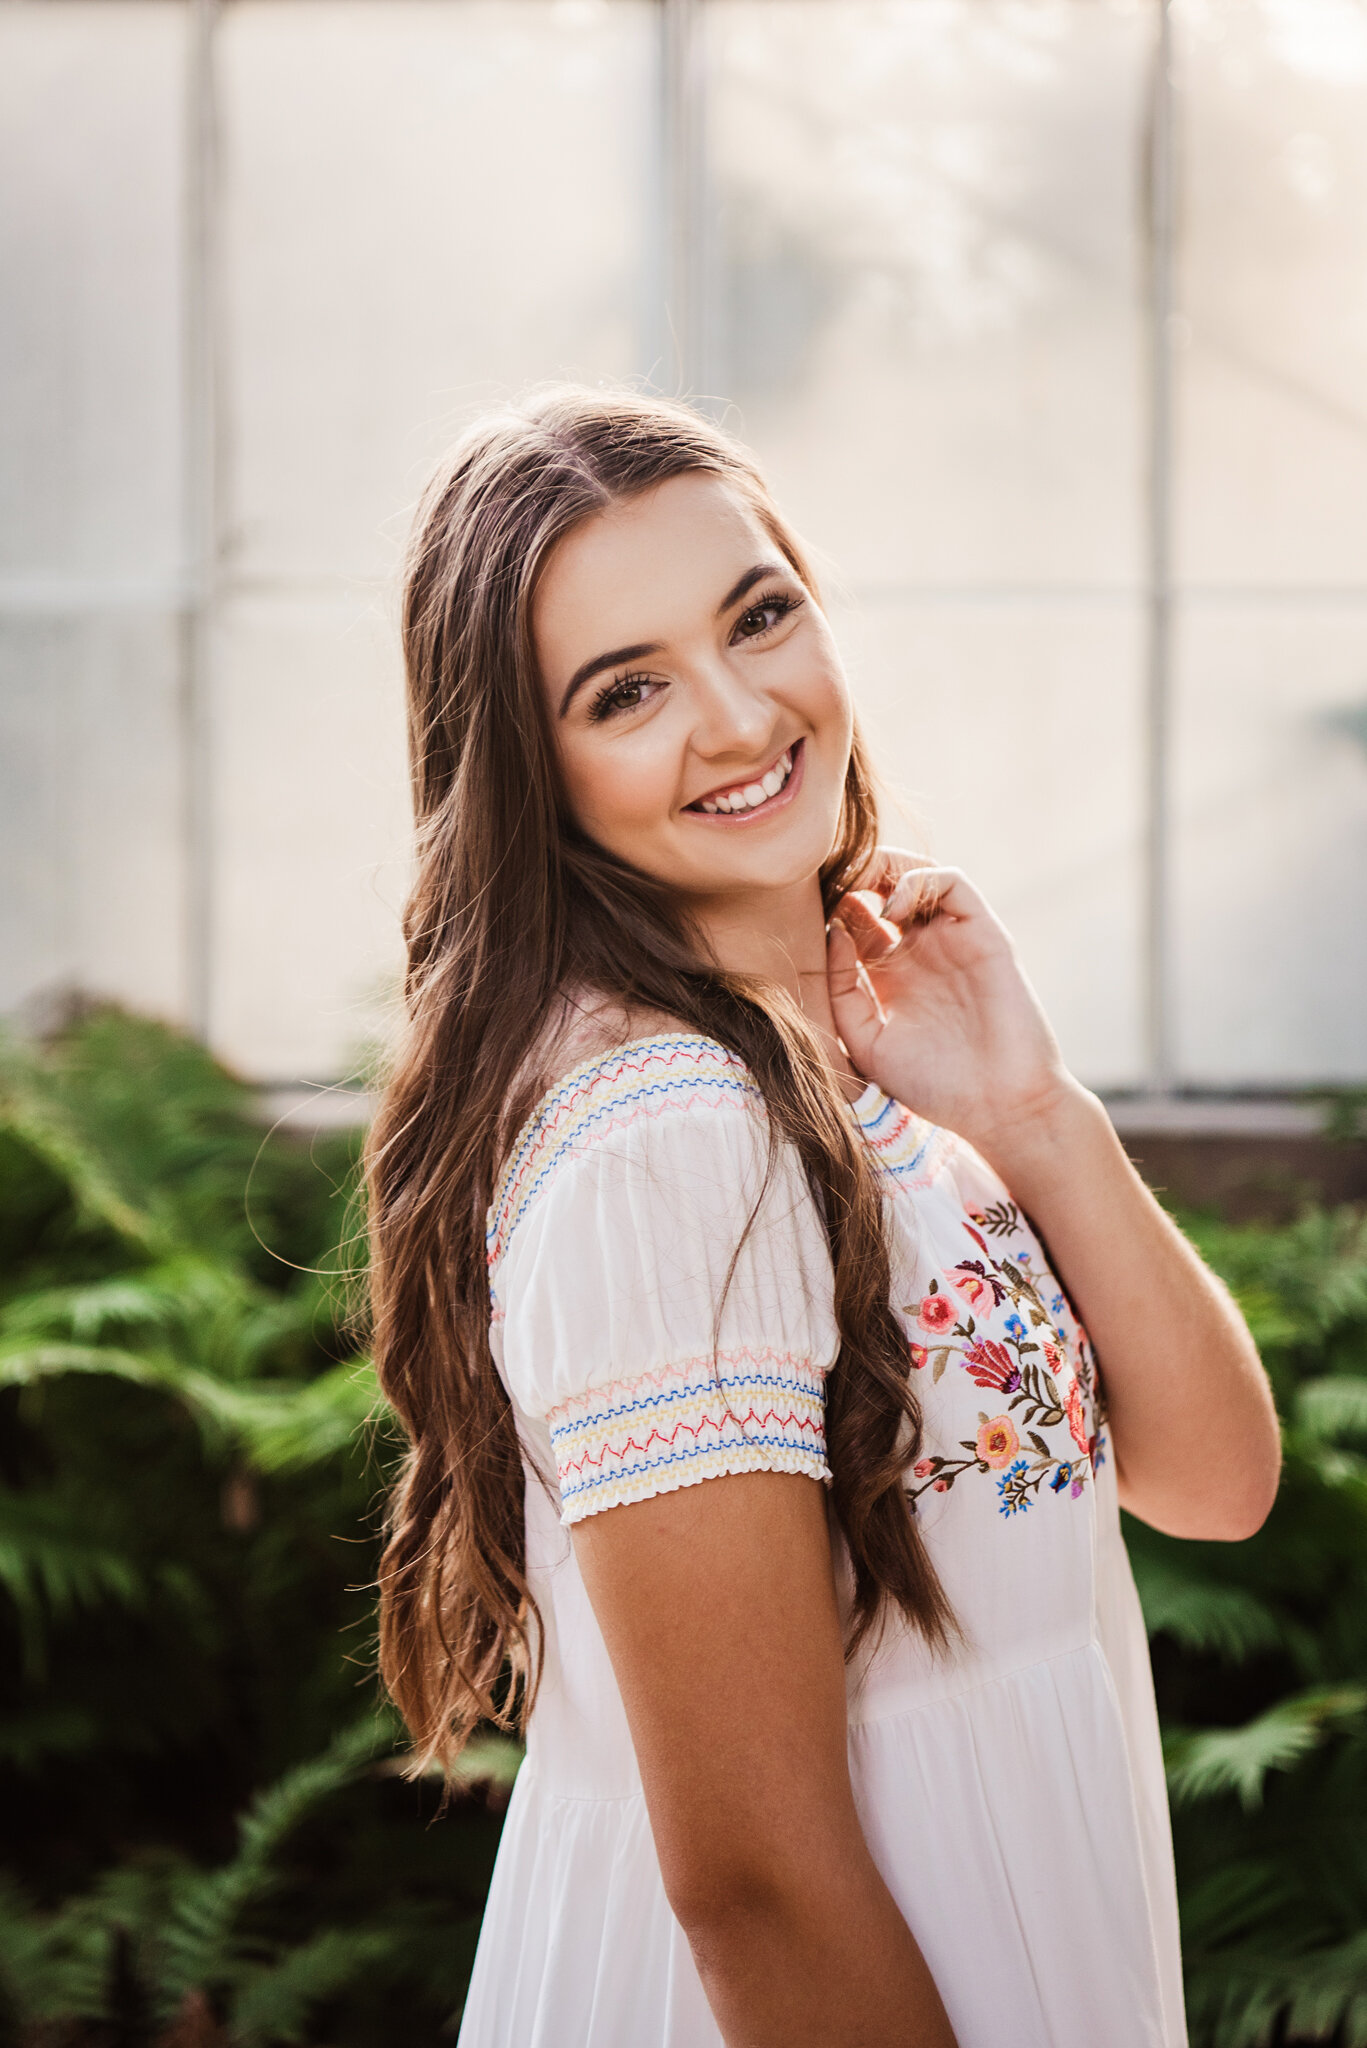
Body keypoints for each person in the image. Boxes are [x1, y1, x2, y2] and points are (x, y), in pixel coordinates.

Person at [364, 385, 1280, 2048]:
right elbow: (753, 1884)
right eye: (624, 691)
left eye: (759, 615)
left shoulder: (863, 1056)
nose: (734, 717)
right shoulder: (666, 1147)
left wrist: (1031, 1115)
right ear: (531, 770)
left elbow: (1217, 1483)